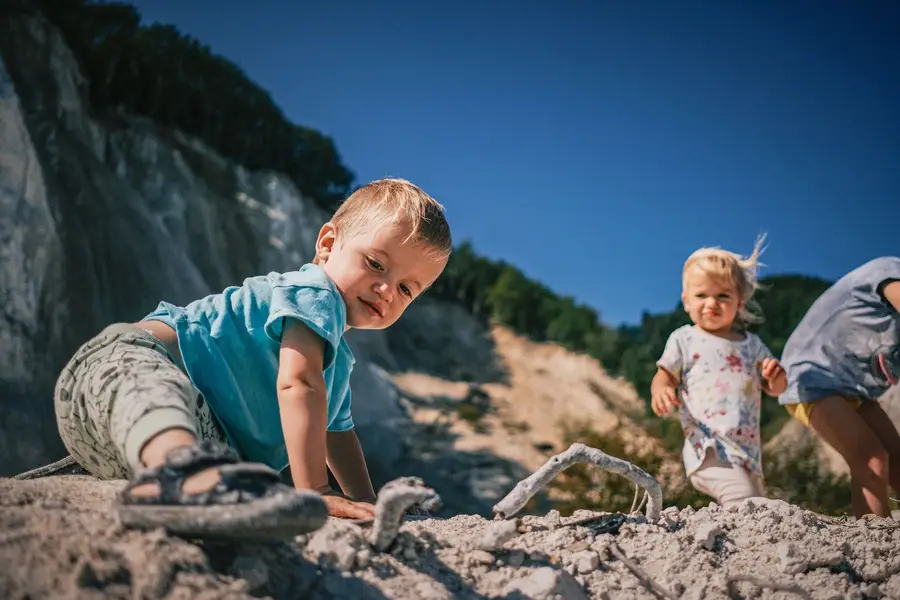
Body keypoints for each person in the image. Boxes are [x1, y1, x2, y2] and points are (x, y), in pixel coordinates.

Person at [54, 178, 452, 532]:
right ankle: (181, 474)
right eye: (376, 264)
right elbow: (298, 383)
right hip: (131, 363)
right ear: (328, 245)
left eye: (406, 289)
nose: (386, 289)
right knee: (160, 396)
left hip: (160, 433)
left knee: (205, 457)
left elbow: (337, 434)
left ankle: (167, 473)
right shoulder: (315, 293)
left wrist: (365, 501)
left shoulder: (337, 364)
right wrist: (315, 489)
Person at [650, 239, 787, 508]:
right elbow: (665, 374)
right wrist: (661, 390)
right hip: (708, 445)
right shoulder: (685, 339)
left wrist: (775, 375)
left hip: (746, 452)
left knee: (756, 499)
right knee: (744, 500)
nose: (711, 303)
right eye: (701, 296)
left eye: (723, 295)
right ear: (686, 302)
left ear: (739, 302)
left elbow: (777, 389)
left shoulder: (752, 345)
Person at [779, 257, 900, 518]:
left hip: (857, 389)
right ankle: (876, 544)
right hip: (811, 378)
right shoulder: (890, 270)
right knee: (871, 458)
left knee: (896, 459)